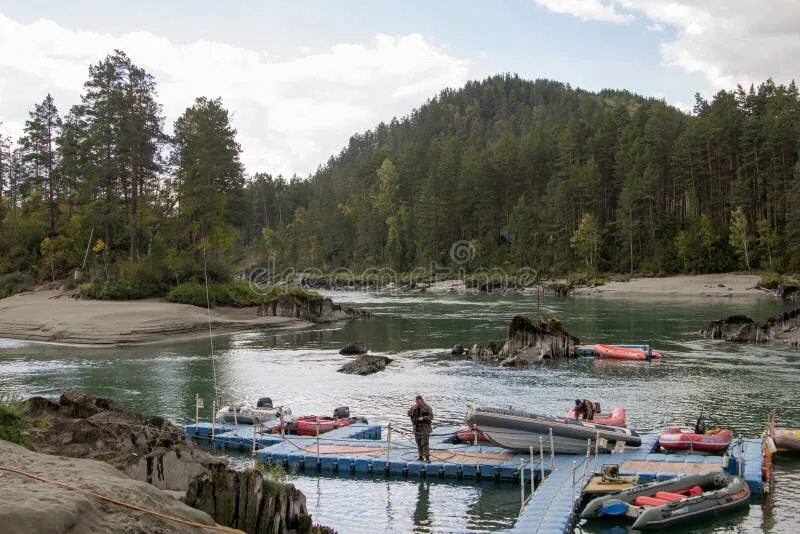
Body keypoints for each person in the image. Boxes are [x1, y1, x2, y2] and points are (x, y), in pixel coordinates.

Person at [408, 395, 433, 462]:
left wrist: (423, 418)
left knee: (425, 443)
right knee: (418, 443)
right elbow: (408, 413)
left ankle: (427, 457)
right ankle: (420, 456)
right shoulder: (414, 407)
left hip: (425, 428)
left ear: (422, 400)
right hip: (416, 428)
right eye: (416, 401)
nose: (418, 403)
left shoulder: (427, 408)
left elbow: (431, 417)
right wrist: (413, 409)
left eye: (419, 401)